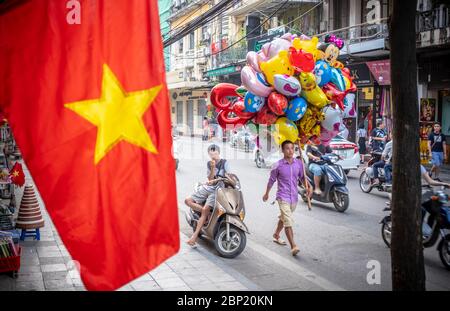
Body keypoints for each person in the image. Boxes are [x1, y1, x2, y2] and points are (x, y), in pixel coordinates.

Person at [262, 140, 312, 257]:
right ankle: (293, 245)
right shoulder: (277, 165)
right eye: (287, 148)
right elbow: (271, 181)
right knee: (288, 221)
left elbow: (302, 178)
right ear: (282, 150)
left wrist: (309, 187)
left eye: (292, 148)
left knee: (284, 217)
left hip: (294, 197)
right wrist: (267, 193)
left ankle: (276, 235)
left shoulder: (298, 163)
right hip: (282, 197)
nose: (290, 150)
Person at [185, 144, 234, 247]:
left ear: (218, 152)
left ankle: (193, 237)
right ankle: (206, 213)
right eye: (210, 153)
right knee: (187, 201)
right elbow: (210, 180)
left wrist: (228, 178)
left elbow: (231, 177)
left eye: (214, 152)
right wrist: (212, 168)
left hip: (218, 191)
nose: (213, 154)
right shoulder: (209, 164)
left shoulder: (225, 163)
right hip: (209, 187)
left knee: (205, 210)